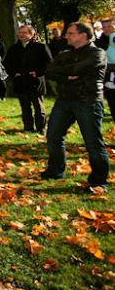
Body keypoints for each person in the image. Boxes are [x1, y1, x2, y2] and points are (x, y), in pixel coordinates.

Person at [41, 22, 109, 193]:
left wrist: (63, 72)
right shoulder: (65, 53)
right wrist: (67, 76)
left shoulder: (97, 53)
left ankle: (99, 180)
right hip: (64, 100)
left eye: (71, 33)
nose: (66, 36)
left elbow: (79, 68)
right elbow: (49, 71)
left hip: (88, 101)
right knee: (54, 136)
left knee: (93, 141)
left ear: (83, 35)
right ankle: (56, 170)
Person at [4, 25, 53, 134]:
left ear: (31, 34)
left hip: (35, 82)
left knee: (38, 107)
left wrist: (38, 72)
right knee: (25, 107)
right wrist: (14, 73)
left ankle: (41, 128)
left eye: (24, 33)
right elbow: (7, 63)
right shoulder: (14, 48)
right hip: (21, 82)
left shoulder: (40, 47)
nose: (21, 35)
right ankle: (28, 127)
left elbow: (49, 62)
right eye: (20, 32)